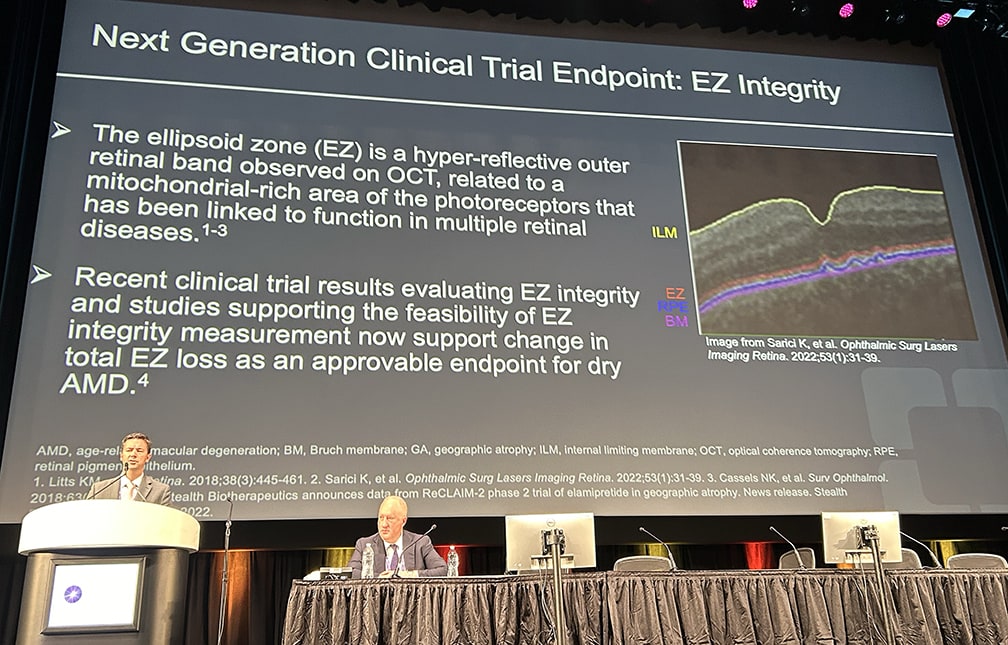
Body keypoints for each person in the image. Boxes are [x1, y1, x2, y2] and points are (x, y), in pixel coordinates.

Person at [349, 495, 446, 578]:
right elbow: (350, 573)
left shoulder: (420, 543)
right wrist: (379, 577)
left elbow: (443, 570)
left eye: (390, 518)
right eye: (381, 518)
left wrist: (408, 575)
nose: (384, 524)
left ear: (403, 521)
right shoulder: (364, 544)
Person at [86, 432, 173, 506]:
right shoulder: (98, 489)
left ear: (148, 457)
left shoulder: (161, 491)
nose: (133, 454)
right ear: (121, 456)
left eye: (139, 450)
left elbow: (167, 519)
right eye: (129, 450)